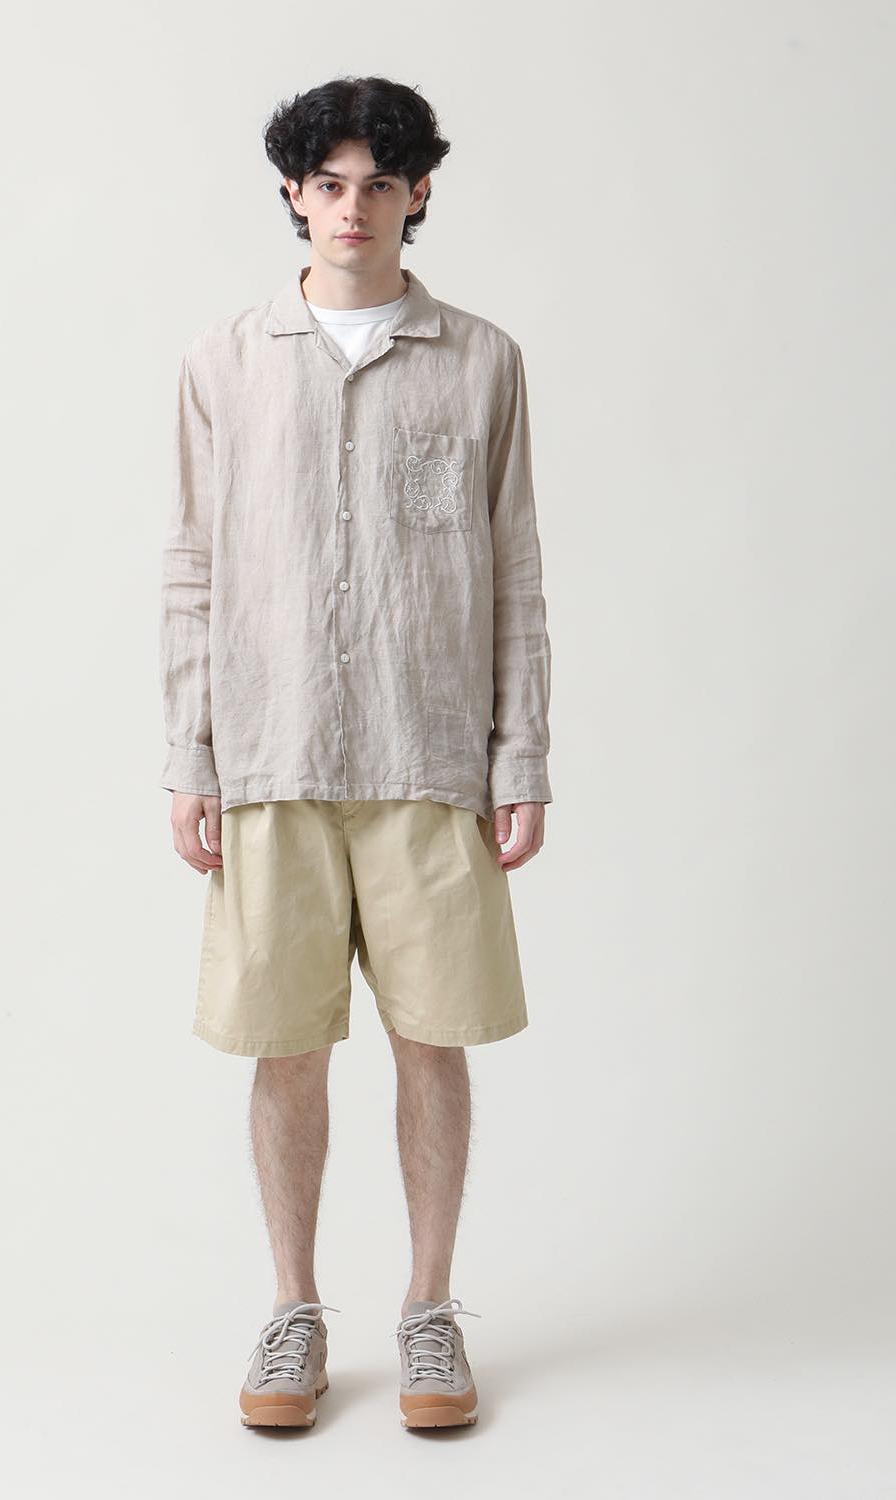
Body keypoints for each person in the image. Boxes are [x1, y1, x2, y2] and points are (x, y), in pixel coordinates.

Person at [158, 75, 553, 1431]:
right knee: (285, 1049)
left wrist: (520, 757)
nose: (352, 207)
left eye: (379, 183)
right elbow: (192, 570)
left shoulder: (482, 361)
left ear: (418, 193)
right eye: (328, 184)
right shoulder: (222, 363)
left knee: (433, 1043)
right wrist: (189, 755)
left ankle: (430, 1312)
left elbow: (515, 569)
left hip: (430, 755)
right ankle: (293, 1310)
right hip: (271, 753)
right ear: (293, 193)